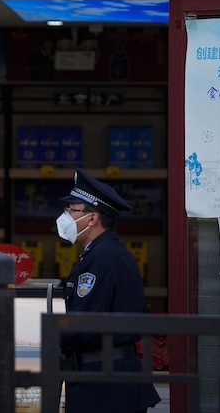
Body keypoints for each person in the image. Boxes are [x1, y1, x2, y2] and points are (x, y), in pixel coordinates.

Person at [56, 169, 160, 413]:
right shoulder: (107, 253)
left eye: (72, 209)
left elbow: (85, 323)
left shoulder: (101, 258)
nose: (65, 216)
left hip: (104, 383)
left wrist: (45, 337)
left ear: (92, 218)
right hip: (110, 378)